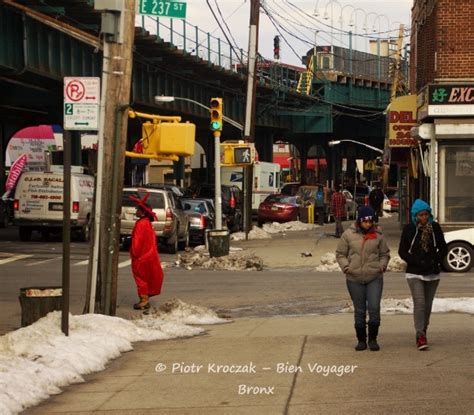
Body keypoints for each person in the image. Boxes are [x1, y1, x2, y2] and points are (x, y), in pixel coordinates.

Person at [336, 206, 390, 351]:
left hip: (374, 277)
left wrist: (382, 266)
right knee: (359, 310)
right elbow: (340, 253)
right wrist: (346, 267)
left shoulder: (378, 235)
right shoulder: (348, 235)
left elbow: (385, 254)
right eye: (365, 221)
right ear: (359, 221)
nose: (368, 224)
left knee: (374, 308)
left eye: (370, 221)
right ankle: (361, 340)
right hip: (354, 278)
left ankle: (373, 339)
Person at [398, 199, 447, 351]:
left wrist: (435, 261)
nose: (424, 218)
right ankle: (420, 335)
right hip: (414, 273)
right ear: (415, 216)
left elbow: (443, 248)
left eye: (426, 214)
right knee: (419, 303)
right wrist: (416, 261)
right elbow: (402, 251)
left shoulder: (435, 228)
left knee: (427, 305)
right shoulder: (409, 229)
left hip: (432, 272)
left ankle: (423, 330)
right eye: (421, 215)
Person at [129, 192, 164, 310]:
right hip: (149, 255)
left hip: (141, 257)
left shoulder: (140, 224)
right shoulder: (148, 223)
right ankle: (145, 299)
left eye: (138, 209)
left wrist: (134, 254)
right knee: (147, 278)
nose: (136, 211)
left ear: (143, 212)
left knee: (141, 279)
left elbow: (137, 242)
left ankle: (144, 300)